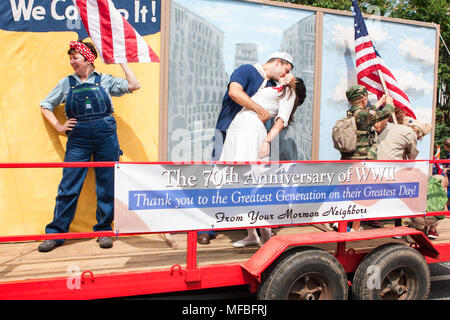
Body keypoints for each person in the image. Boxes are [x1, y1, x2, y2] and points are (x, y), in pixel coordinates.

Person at [38, 40, 140, 252]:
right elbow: (45, 104)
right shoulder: (66, 83)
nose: (72, 62)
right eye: (71, 58)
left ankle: (103, 231)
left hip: (106, 137)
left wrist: (121, 62)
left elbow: (134, 85)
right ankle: (56, 234)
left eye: (75, 57)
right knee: (68, 186)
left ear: (88, 57)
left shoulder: (105, 80)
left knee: (107, 185)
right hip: (78, 139)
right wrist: (59, 126)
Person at [198, 51, 294, 245]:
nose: (285, 75)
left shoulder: (274, 86)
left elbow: (285, 108)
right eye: (285, 70)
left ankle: (255, 227)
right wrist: (259, 110)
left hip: (249, 136)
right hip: (226, 131)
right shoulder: (247, 71)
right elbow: (234, 92)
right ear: (277, 62)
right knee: (218, 178)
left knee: (251, 179)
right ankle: (208, 227)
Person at [221, 75, 307, 247]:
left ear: (295, 85)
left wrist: (266, 141)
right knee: (240, 183)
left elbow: (280, 122)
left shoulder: (289, 95)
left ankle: (266, 234)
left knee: (256, 185)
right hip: (239, 128)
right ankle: (251, 234)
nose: (286, 74)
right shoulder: (275, 88)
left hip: (252, 133)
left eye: (290, 74)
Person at [338, 85, 394, 232]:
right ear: (363, 99)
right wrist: (388, 103)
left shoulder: (351, 113)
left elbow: (370, 112)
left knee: (349, 194)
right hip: (362, 161)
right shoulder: (363, 116)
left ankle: (343, 224)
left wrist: (380, 101)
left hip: (348, 160)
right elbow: (386, 113)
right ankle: (355, 228)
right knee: (360, 196)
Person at [374, 110, 431, 230]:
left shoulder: (392, 128)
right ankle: (405, 226)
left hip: (374, 167)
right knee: (409, 190)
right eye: (420, 136)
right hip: (390, 170)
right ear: (418, 131)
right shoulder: (410, 133)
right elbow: (412, 156)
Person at [409, 174, 448, 240]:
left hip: (417, 218)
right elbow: (446, 211)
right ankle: (432, 231)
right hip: (431, 219)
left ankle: (420, 230)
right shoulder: (440, 197)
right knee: (441, 211)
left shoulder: (423, 190)